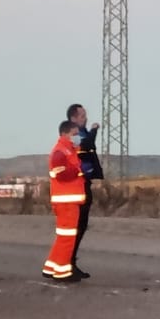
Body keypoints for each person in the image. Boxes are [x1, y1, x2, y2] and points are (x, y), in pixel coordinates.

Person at [43, 121, 88, 282]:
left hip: (67, 201)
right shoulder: (60, 152)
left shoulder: (70, 150)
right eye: (75, 134)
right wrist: (79, 170)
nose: (78, 137)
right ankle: (61, 272)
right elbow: (61, 174)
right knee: (67, 237)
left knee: (63, 236)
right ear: (65, 134)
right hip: (66, 202)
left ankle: (51, 267)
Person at [66, 104, 103, 278]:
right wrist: (94, 130)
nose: (85, 119)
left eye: (85, 116)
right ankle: (68, 263)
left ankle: (71, 262)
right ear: (73, 119)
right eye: (82, 116)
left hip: (84, 184)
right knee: (77, 227)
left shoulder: (82, 133)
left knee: (81, 226)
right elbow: (87, 144)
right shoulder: (74, 136)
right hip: (77, 187)